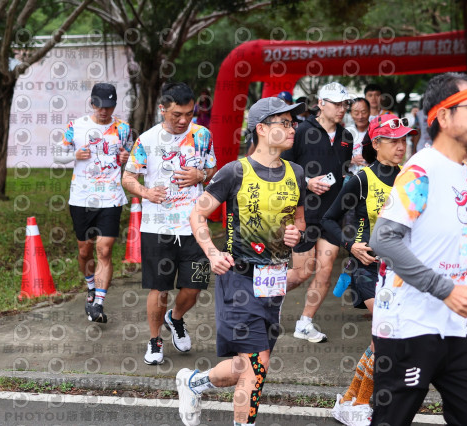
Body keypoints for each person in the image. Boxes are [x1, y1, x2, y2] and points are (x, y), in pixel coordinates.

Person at [369, 72, 467, 425]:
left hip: (452, 328)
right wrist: (446, 289)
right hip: (408, 328)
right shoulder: (421, 171)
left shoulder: (462, 171)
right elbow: (383, 240)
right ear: (443, 116)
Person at [179, 96, 306, 426]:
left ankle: (194, 383)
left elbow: (300, 222)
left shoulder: (296, 173)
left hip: (274, 281)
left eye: (293, 122)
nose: (292, 128)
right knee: (256, 366)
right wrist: (212, 252)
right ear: (261, 129)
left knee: (245, 366)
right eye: (284, 123)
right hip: (238, 279)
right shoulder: (235, 172)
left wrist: (296, 234)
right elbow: (197, 214)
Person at [322, 113, 414, 425]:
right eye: (393, 140)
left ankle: (349, 399)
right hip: (368, 268)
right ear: (376, 143)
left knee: (381, 340)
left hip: (398, 271)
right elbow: (328, 219)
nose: (400, 146)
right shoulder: (361, 179)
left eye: (403, 139)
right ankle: (361, 403)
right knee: (387, 336)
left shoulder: (409, 179)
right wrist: (351, 246)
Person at [122, 82, 217, 365]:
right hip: (158, 227)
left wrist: (201, 176)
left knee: (195, 285)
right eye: (177, 114)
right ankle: (154, 341)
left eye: (189, 113)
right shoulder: (147, 140)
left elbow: (213, 168)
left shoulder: (202, 135)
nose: (184, 120)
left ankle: (175, 318)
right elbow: (128, 177)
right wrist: (146, 193)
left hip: (194, 225)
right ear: (162, 109)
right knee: (159, 288)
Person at [53, 82, 131, 323]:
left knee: (104, 250)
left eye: (109, 106)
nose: (104, 111)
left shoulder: (123, 129)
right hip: (82, 197)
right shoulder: (75, 127)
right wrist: (74, 155)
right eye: (99, 106)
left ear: (114, 105)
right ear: (92, 103)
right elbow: (57, 155)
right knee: (84, 251)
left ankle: (98, 303)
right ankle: (90, 285)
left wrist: (126, 157)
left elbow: (130, 156)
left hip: (111, 196)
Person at [282, 82, 353, 343]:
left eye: (344, 104)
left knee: (324, 271)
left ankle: (305, 323)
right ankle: (259, 297)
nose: (341, 109)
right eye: (336, 103)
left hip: (332, 214)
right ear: (321, 103)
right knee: (302, 271)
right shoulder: (301, 131)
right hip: (304, 211)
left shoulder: (346, 136)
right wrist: (307, 182)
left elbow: (343, 173)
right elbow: (283, 168)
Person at [345, 97, 372, 178]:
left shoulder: (376, 131)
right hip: (351, 177)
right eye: (356, 113)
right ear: (351, 113)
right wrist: (351, 160)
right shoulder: (346, 133)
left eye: (364, 112)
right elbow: (338, 158)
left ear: (369, 112)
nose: (360, 116)